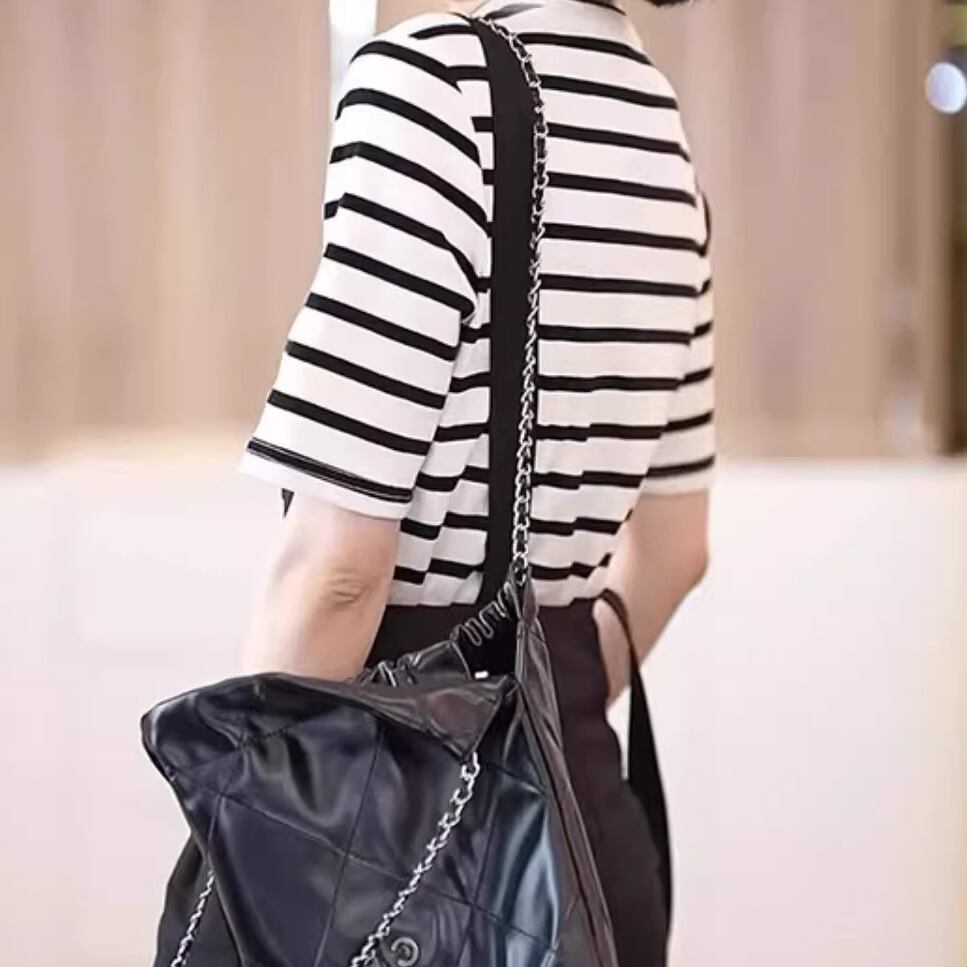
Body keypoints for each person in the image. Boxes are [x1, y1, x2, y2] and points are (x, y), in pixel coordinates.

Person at [240, 1, 713, 964]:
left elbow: (337, 570)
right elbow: (674, 552)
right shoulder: (663, 144)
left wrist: (251, 838)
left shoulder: (434, 86)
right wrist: (532, 695)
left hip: (407, 860)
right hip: (587, 852)